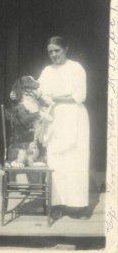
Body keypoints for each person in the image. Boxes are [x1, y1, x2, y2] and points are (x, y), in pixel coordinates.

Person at [38, 36, 90, 220]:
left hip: (75, 117)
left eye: (57, 50)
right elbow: (41, 94)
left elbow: (80, 96)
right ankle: (57, 204)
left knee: (75, 161)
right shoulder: (46, 71)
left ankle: (79, 206)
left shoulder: (76, 68)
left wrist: (55, 97)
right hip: (54, 119)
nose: (54, 55)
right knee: (56, 162)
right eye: (50, 52)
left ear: (65, 49)